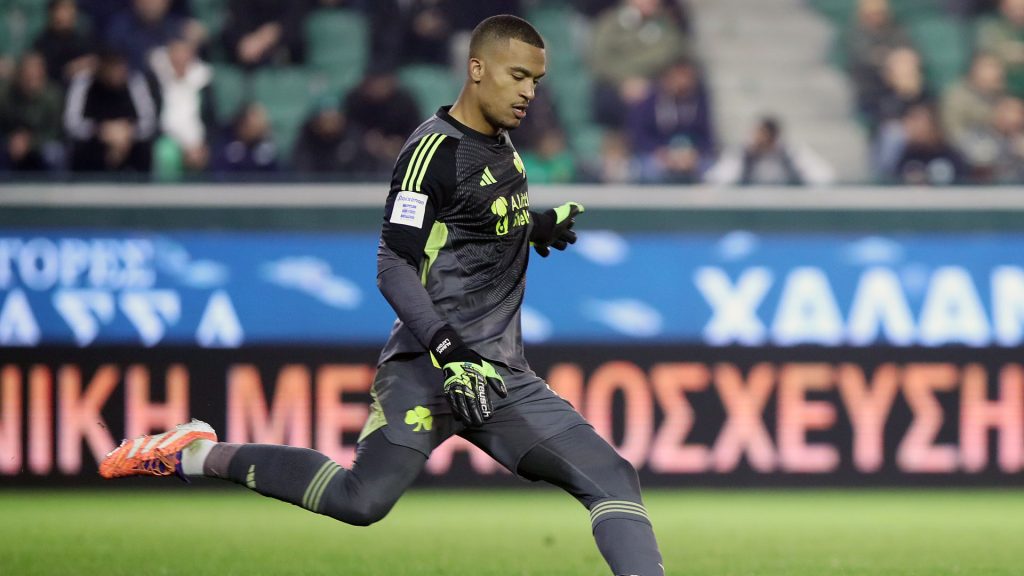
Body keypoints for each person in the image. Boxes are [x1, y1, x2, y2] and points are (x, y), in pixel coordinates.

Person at [99, 15, 665, 576]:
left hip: (499, 376)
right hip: (428, 366)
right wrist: (450, 352)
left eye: (535, 81)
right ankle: (196, 453)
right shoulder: (432, 152)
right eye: (517, 76)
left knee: (612, 477)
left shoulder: (503, 148)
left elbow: (476, 219)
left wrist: (535, 226)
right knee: (361, 500)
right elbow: (394, 263)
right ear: (476, 69)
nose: (528, 93)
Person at [64, 49, 157, 173]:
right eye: (112, 66)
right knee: (81, 150)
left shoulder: (135, 81)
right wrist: (101, 130)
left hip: (129, 141)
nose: (117, 71)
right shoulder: (83, 82)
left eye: (120, 65)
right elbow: (72, 123)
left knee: (144, 150)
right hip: (93, 141)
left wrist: (128, 131)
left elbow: (149, 121)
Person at [704, 116, 835, 186]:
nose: (758, 138)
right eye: (756, 134)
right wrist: (745, 157)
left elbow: (824, 177)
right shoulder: (742, 154)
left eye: (763, 134)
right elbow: (717, 179)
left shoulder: (791, 154)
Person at [31, 0, 97, 86]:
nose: (65, 14)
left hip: (79, 86)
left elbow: (94, 60)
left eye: (69, 9)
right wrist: (67, 70)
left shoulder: (82, 38)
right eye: (62, 9)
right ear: (52, 12)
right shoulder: (43, 42)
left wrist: (85, 64)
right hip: (53, 87)